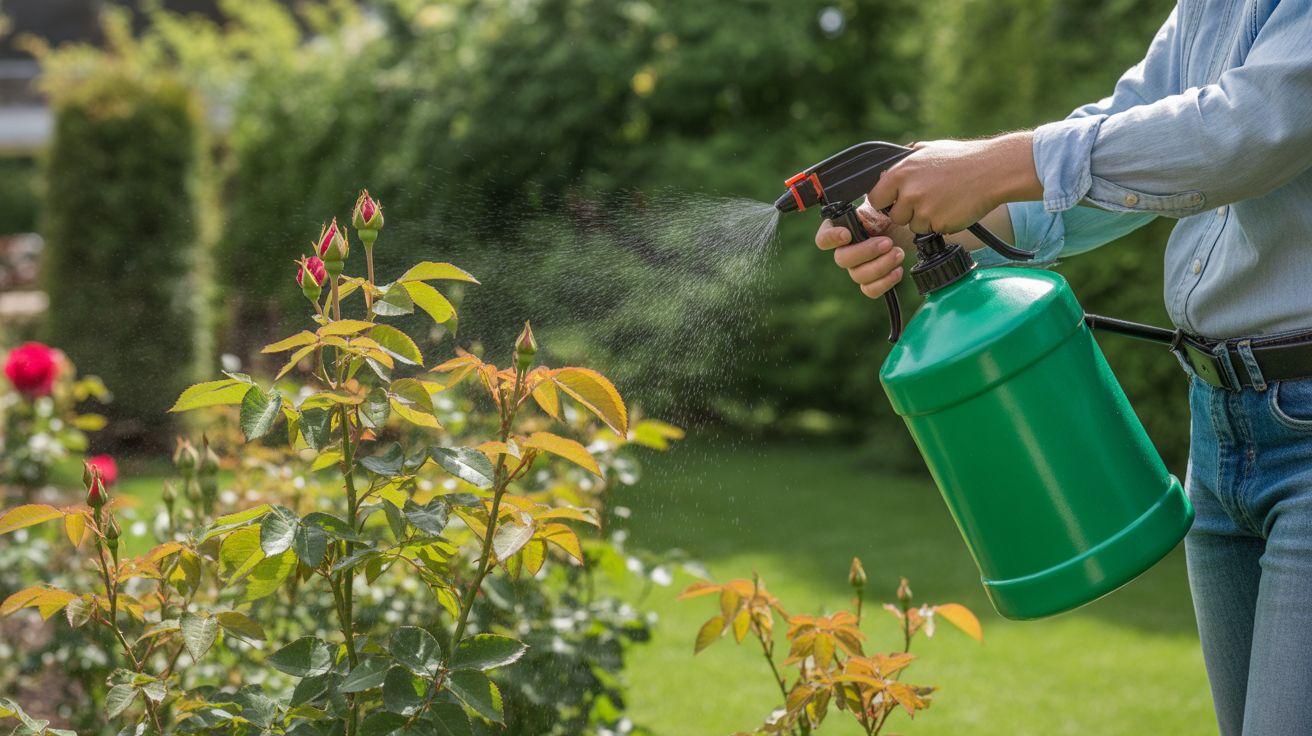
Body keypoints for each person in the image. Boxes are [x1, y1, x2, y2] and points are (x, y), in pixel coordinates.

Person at [815, 3, 1312, 735]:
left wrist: (994, 165)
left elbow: (1245, 130)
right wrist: (940, 214)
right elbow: (1133, 137)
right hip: (1222, 426)